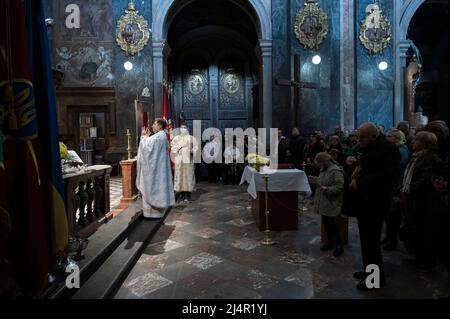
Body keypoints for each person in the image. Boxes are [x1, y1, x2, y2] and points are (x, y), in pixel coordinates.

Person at [349, 123, 401, 290]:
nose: (359, 140)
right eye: (358, 136)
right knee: (365, 240)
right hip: (365, 202)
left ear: (373, 135)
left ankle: (376, 280)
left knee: (372, 242)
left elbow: (387, 176)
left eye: (362, 137)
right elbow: (368, 166)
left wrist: (361, 183)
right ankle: (369, 271)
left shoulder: (389, 149)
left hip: (375, 202)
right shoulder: (371, 146)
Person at [400, 131, 442, 272]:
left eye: (416, 140)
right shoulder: (417, 157)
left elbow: (425, 179)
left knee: (425, 231)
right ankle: (419, 257)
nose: (413, 142)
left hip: (425, 200)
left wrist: (409, 191)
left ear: (424, 143)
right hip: (416, 199)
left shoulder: (429, 157)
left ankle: (427, 262)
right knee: (417, 229)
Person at [136, 118, 175, 219]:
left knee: (152, 187)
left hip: (156, 171)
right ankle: (158, 212)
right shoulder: (162, 136)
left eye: (154, 124)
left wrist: (143, 136)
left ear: (160, 126)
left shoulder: (158, 137)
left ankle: (152, 213)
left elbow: (146, 148)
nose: (152, 126)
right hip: (159, 170)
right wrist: (147, 137)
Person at [309, 152, 345, 257]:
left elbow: (339, 187)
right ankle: (330, 242)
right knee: (326, 224)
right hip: (324, 200)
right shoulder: (324, 170)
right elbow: (322, 182)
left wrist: (327, 189)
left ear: (325, 161)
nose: (319, 166)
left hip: (331, 201)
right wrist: (315, 180)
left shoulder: (335, 171)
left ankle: (339, 245)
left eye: (320, 164)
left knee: (332, 225)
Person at [171, 124, 199, 203]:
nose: (183, 129)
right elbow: (173, 146)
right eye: (182, 128)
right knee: (180, 177)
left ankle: (188, 195)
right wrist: (178, 147)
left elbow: (196, 147)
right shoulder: (176, 138)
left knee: (188, 177)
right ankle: (182, 195)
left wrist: (191, 150)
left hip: (188, 160)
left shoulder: (191, 138)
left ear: (187, 129)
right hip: (179, 160)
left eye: (184, 128)